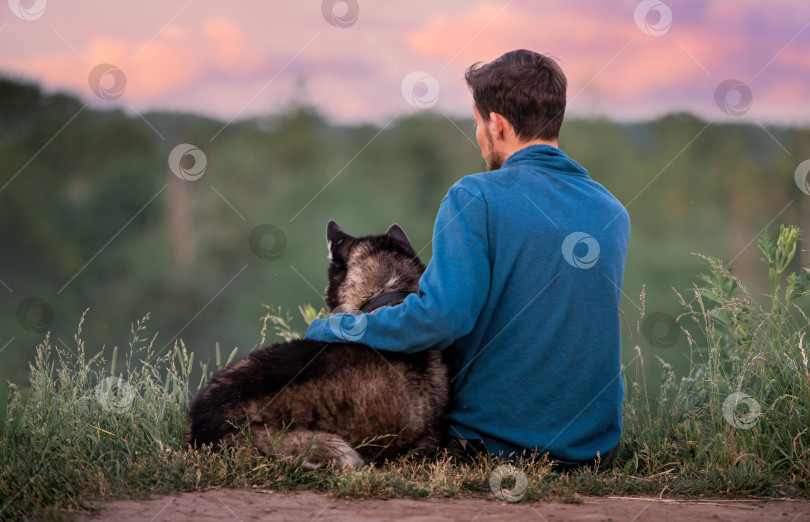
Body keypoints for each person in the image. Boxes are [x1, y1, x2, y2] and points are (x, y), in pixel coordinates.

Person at [304, 49, 630, 471]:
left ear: (497, 124)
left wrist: (339, 328)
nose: (478, 136)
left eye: (477, 123)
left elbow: (441, 318)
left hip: (494, 445)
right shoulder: (611, 210)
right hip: (594, 451)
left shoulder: (475, 196)